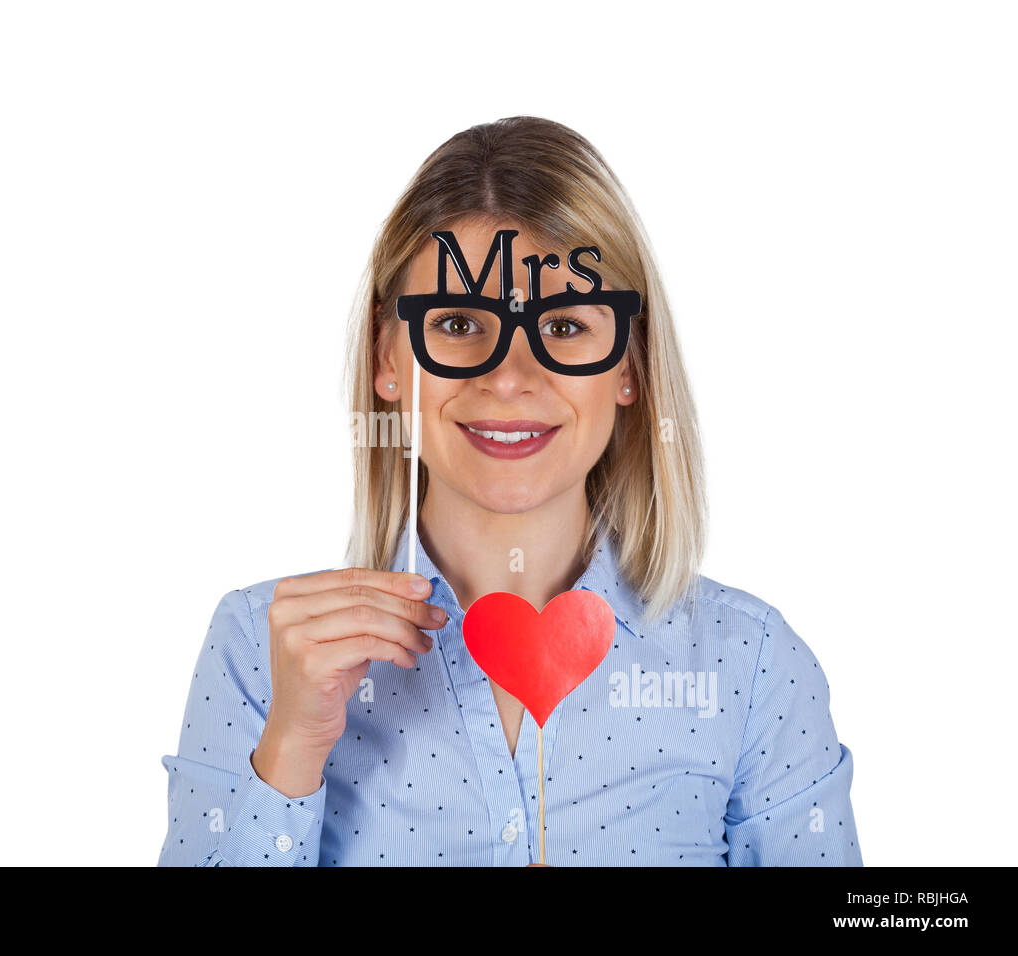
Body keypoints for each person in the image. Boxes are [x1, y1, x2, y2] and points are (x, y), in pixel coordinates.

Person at [157, 116, 862, 866]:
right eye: (459, 322)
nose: (510, 377)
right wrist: (292, 751)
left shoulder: (749, 669)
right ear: (386, 356)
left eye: (562, 327)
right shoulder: (261, 650)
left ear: (629, 363)